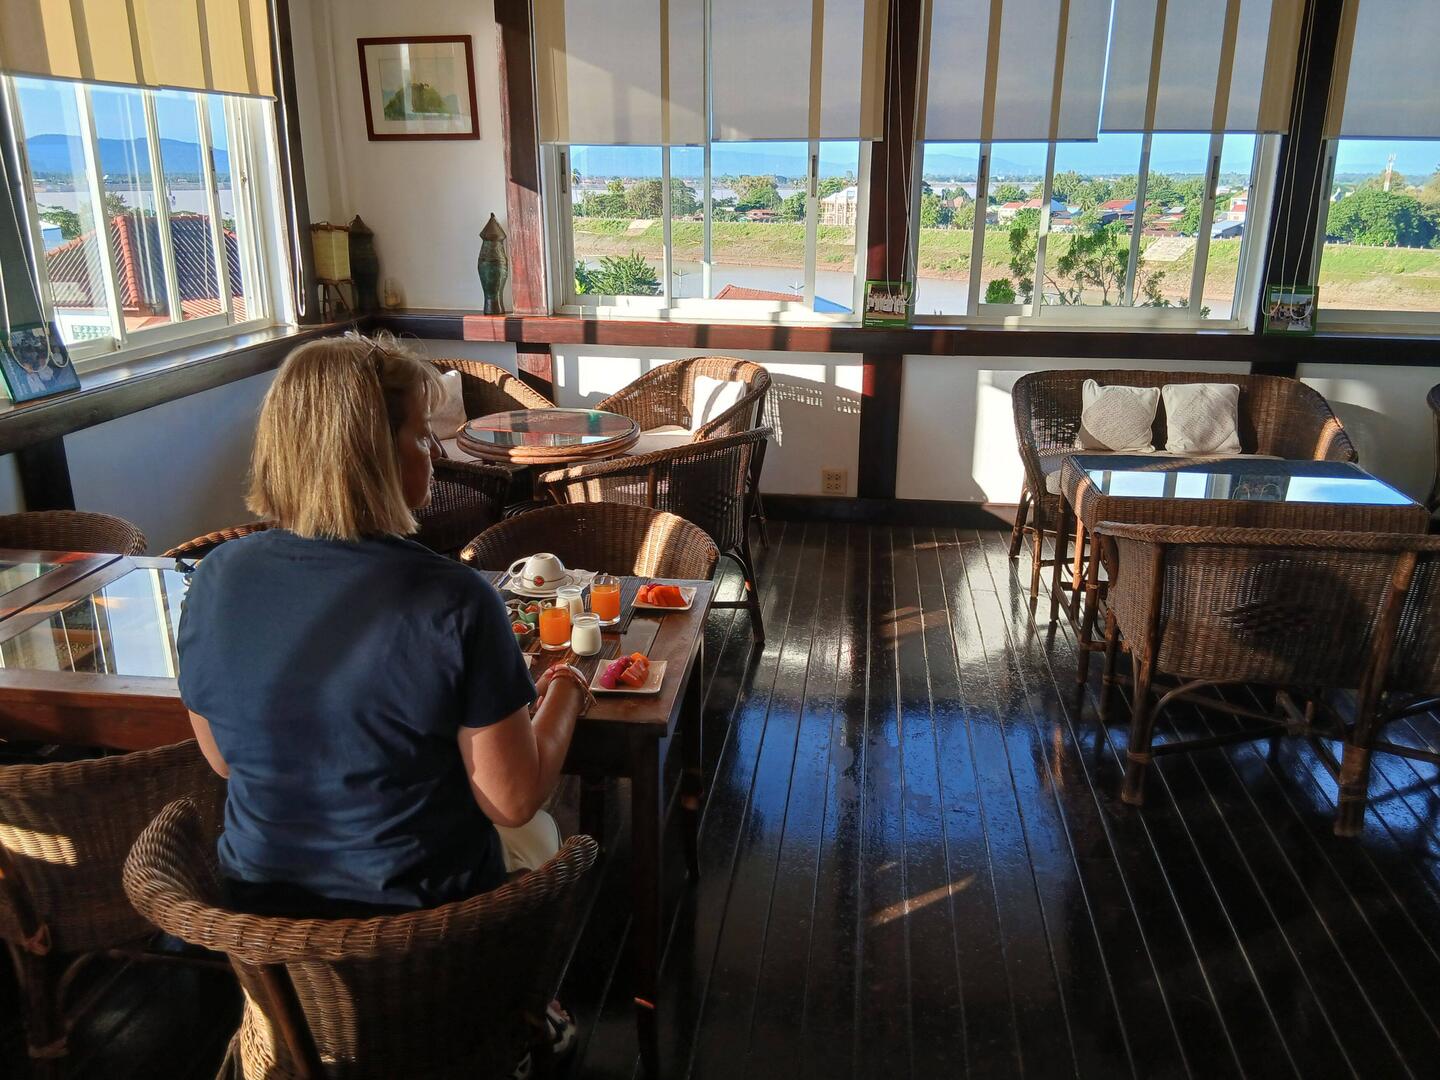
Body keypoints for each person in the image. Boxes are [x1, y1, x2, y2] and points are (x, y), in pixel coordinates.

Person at [176, 332, 587, 1063]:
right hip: (421, 934)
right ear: (371, 453)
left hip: (267, 929)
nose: (433, 454)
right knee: (542, 835)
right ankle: (521, 1005)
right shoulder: (455, 599)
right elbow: (512, 798)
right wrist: (567, 695)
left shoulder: (216, 578)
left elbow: (224, 761)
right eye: (421, 435)